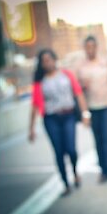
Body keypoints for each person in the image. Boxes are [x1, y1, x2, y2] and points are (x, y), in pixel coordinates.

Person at [29, 48, 90, 196]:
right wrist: (31, 128)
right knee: (59, 152)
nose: (47, 63)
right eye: (44, 61)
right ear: (41, 64)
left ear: (55, 60)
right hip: (51, 119)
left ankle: (75, 172)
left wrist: (85, 113)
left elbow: (78, 93)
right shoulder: (40, 82)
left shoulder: (66, 74)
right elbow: (35, 105)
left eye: (49, 59)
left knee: (71, 149)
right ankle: (65, 183)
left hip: (68, 116)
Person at [74, 35, 107, 184]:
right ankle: (104, 171)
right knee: (98, 139)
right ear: (84, 49)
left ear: (96, 47)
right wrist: (83, 87)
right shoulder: (80, 66)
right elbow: (77, 89)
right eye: (87, 47)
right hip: (92, 108)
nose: (90, 50)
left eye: (92, 46)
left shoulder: (106, 62)